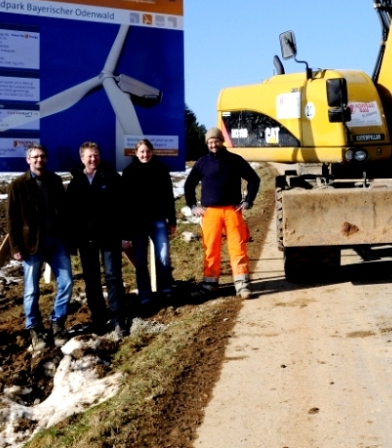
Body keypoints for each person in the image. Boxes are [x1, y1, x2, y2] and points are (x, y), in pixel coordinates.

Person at [6, 143, 73, 350]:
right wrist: (15, 246)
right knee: (32, 289)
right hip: (31, 244)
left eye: (42, 156)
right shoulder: (17, 185)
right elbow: (12, 219)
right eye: (35, 157)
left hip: (56, 241)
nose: (39, 160)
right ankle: (34, 327)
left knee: (67, 281)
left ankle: (57, 323)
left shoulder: (54, 180)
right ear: (28, 160)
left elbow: (63, 211)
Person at [184, 127, 260, 300]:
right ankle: (209, 286)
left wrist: (247, 201)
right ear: (207, 144)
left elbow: (254, 180)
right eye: (210, 142)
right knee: (210, 248)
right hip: (210, 213)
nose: (213, 144)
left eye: (216, 141)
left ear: (221, 141)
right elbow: (189, 185)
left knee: (237, 247)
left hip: (232, 210)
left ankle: (242, 285)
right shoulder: (202, 163)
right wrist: (193, 206)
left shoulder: (235, 160)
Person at [67, 142, 129, 338]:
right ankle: (100, 318)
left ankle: (119, 318)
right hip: (87, 239)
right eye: (89, 156)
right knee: (92, 280)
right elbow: (71, 215)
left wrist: (125, 235)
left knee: (113, 277)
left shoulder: (111, 178)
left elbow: (123, 208)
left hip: (110, 236)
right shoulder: (76, 182)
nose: (93, 159)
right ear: (82, 159)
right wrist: (72, 240)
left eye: (95, 155)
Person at [122, 138, 178, 314]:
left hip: (158, 220)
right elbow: (125, 204)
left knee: (163, 256)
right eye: (141, 152)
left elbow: (169, 196)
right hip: (137, 224)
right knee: (140, 261)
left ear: (152, 152)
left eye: (147, 151)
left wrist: (172, 221)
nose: (145, 155)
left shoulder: (161, 170)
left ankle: (166, 291)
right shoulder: (129, 172)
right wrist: (126, 230)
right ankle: (145, 296)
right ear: (136, 153)